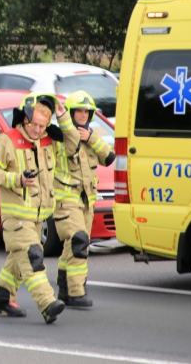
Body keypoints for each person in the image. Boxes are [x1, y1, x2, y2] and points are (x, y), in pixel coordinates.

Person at [0, 93, 76, 323]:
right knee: (33, 257)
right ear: (24, 118)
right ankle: (46, 303)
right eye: (33, 124)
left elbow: (73, 144)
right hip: (16, 216)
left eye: (42, 126)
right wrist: (17, 180)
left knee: (20, 257)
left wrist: (62, 115)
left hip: (37, 216)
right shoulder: (7, 139)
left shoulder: (48, 140)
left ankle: (3, 298)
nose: (37, 130)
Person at [54, 91, 115, 308]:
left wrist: (92, 138)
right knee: (78, 240)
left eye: (86, 111)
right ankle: (77, 292)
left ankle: (63, 288)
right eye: (78, 111)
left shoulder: (91, 135)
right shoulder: (63, 136)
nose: (82, 115)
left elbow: (109, 158)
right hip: (66, 200)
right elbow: (69, 142)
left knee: (75, 246)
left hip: (87, 200)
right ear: (70, 113)